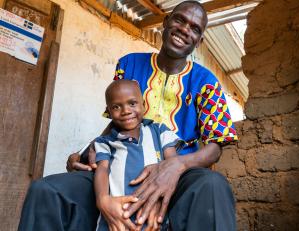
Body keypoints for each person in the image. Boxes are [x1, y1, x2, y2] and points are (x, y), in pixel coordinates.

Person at [18, 1, 238, 231]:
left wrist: (176, 165)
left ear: (200, 40)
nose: (185, 29)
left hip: (178, 175)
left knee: (213, 184)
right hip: (119, 165)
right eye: (180, 20)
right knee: (46, 191)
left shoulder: (207, 82)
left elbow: (215, 147)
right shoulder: (129, 64)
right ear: (166, 22)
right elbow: (116, 122)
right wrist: (85, 154)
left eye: (194, 28)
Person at [94, 80, 182, 231]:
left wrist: (160, 199)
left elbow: (172, 165)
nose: (126, 110)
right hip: (116, 220)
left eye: (132, 103)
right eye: (116, 106)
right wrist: (103, 199)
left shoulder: (159, 131)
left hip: (155, 219)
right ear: (108, 111)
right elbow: (101, 169)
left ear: (143, 105)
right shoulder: (105, 142)